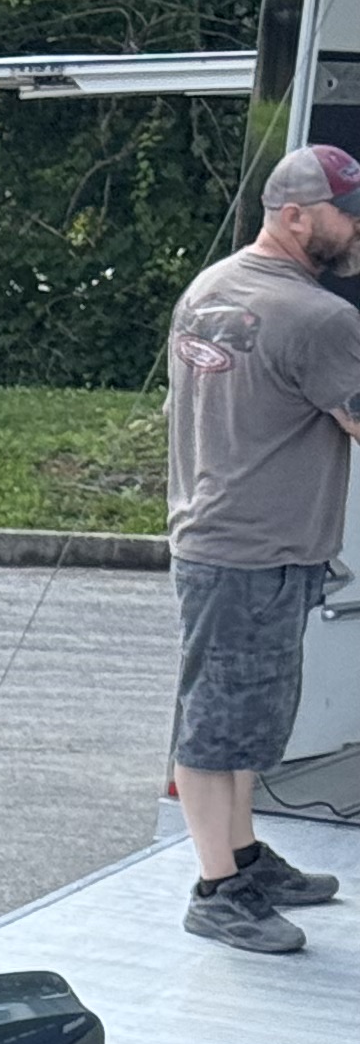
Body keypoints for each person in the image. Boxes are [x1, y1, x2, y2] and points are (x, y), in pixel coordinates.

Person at [163, 140, 360, 954]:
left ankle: (242, 856)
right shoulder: (320, 318)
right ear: (297, 216)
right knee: (218, 728)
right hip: (257, 551)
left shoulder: (211, 287)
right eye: (349, 214)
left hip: (217, 539)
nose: (358, 228)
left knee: (238, 718)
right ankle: (218, 892)